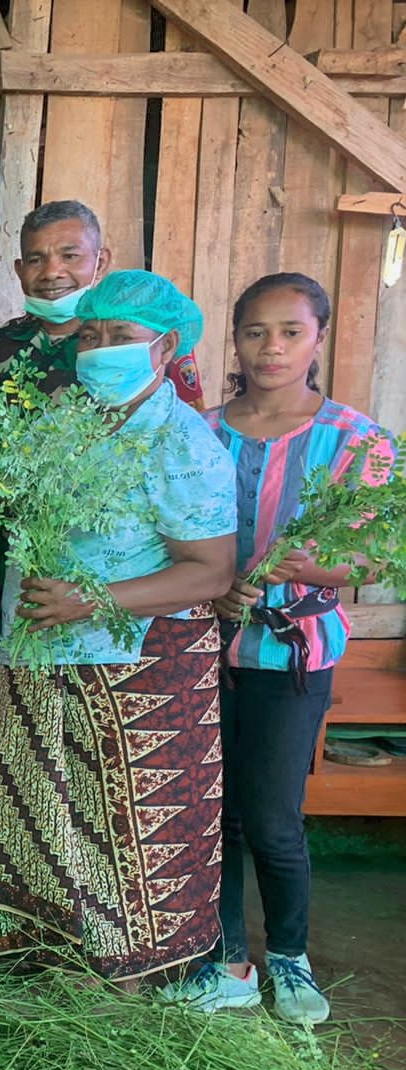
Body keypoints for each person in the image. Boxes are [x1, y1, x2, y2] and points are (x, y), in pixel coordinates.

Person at [0, 269, 238, 983]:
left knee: (124, 836)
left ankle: (134, 978)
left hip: (136, 665)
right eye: (92, 336)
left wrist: (92, 597)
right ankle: (43, 967)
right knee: (39, 819)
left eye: (121, 337)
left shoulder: (182, 442)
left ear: (166, 347)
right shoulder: (63, 419)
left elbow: (210, 572)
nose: (101, 347)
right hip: (38, 653)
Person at [166, 274, 398, 1023]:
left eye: (291, 332)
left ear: (318, 339)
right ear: (235, 339)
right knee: (213, 814)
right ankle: (228, 958)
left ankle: (291, 959)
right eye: (256, 331)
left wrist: (309, 570)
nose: (272, 347)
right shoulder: (197, 429)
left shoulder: (357, 441)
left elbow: (375, 559)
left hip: (292, 657)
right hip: (199, 651)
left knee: (271, 816)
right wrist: (212, 586)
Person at [0, 199, 204, 405]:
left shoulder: (136, 345)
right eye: (36, 260)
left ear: (101, 261)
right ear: (20, 271)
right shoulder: (4, 341)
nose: (51, 273)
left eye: (70, 257)